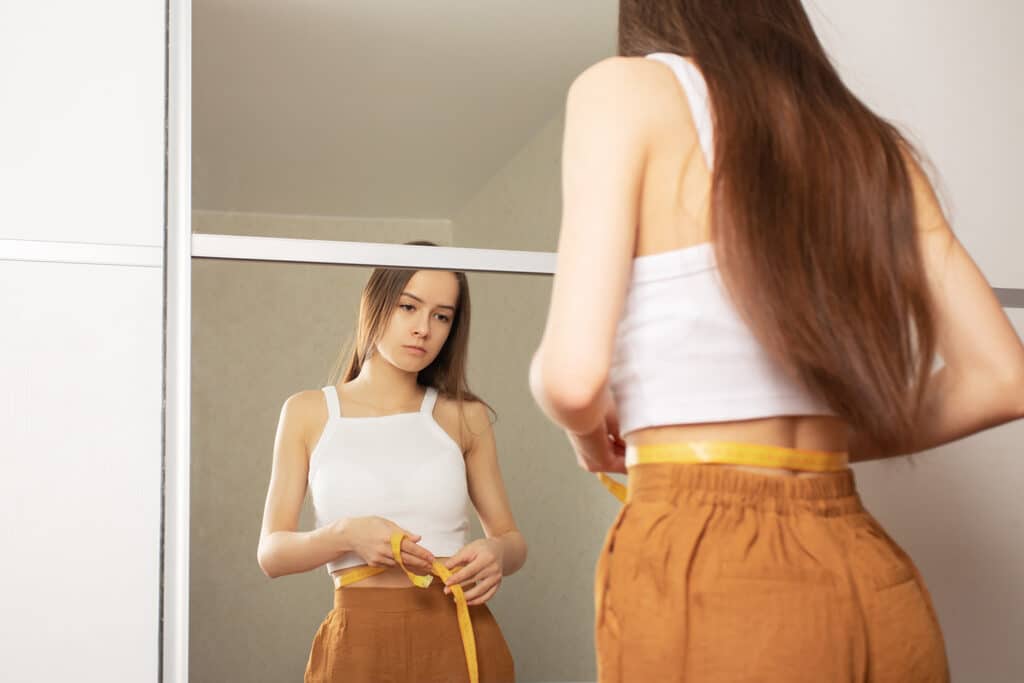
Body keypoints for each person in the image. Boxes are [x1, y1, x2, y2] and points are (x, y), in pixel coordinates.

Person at [529, 2, 1024, 681]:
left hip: (710, 563)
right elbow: (1004, 378)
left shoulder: (625, 89)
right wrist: (801, 442)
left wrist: (588, 436)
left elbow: (571, 378)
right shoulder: (868, 143)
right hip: (867, 563)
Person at [258, 246, 524, 683]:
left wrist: (497, 553)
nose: (423, 329)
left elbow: (512, 540)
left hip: (460, 637)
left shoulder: (464, 416)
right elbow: (272, 554)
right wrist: (345, 535)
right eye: (408, 307)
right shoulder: (307, 411)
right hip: (356, 646)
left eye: (442, 316)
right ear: (374, 305)